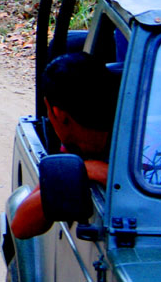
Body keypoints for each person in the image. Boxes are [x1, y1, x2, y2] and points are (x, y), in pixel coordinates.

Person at [11, 52, 118, 240]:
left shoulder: (134, 144)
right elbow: (21, 226)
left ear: (57, 113)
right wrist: (87, 170)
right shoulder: (77, 148)